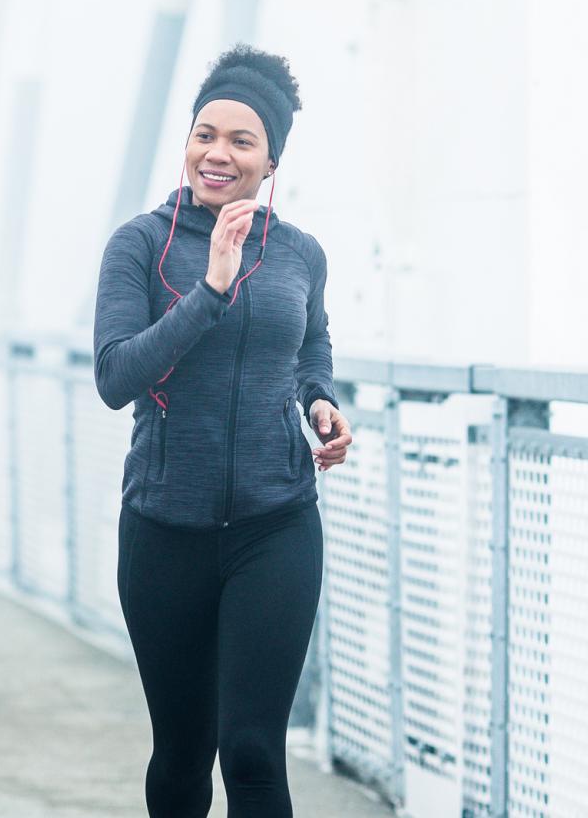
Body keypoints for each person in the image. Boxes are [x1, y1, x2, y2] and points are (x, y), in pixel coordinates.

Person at [92, 43, 354, 817]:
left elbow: (310, 342)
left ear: (269, 162)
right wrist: (211, 288)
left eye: (241, 141)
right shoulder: (141, 245)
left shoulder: (300, 253)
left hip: (276, 524)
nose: (218, 152)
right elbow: (115, 377)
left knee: (251, 751)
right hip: (164, 530)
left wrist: (320, 401)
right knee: (182, 754)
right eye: (205, 133)